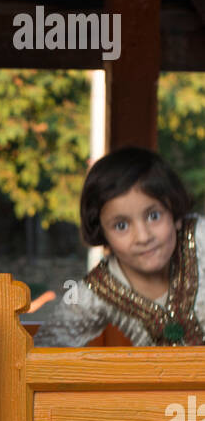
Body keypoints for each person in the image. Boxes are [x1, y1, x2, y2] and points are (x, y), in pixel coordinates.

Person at [34, 147, 205, 347]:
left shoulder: (200, 238)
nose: (143, 237)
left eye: (154, 216)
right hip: (158, 378)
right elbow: (47, 345)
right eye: (121, 225)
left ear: (175, 213)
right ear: (103, 234)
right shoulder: (99, 289)